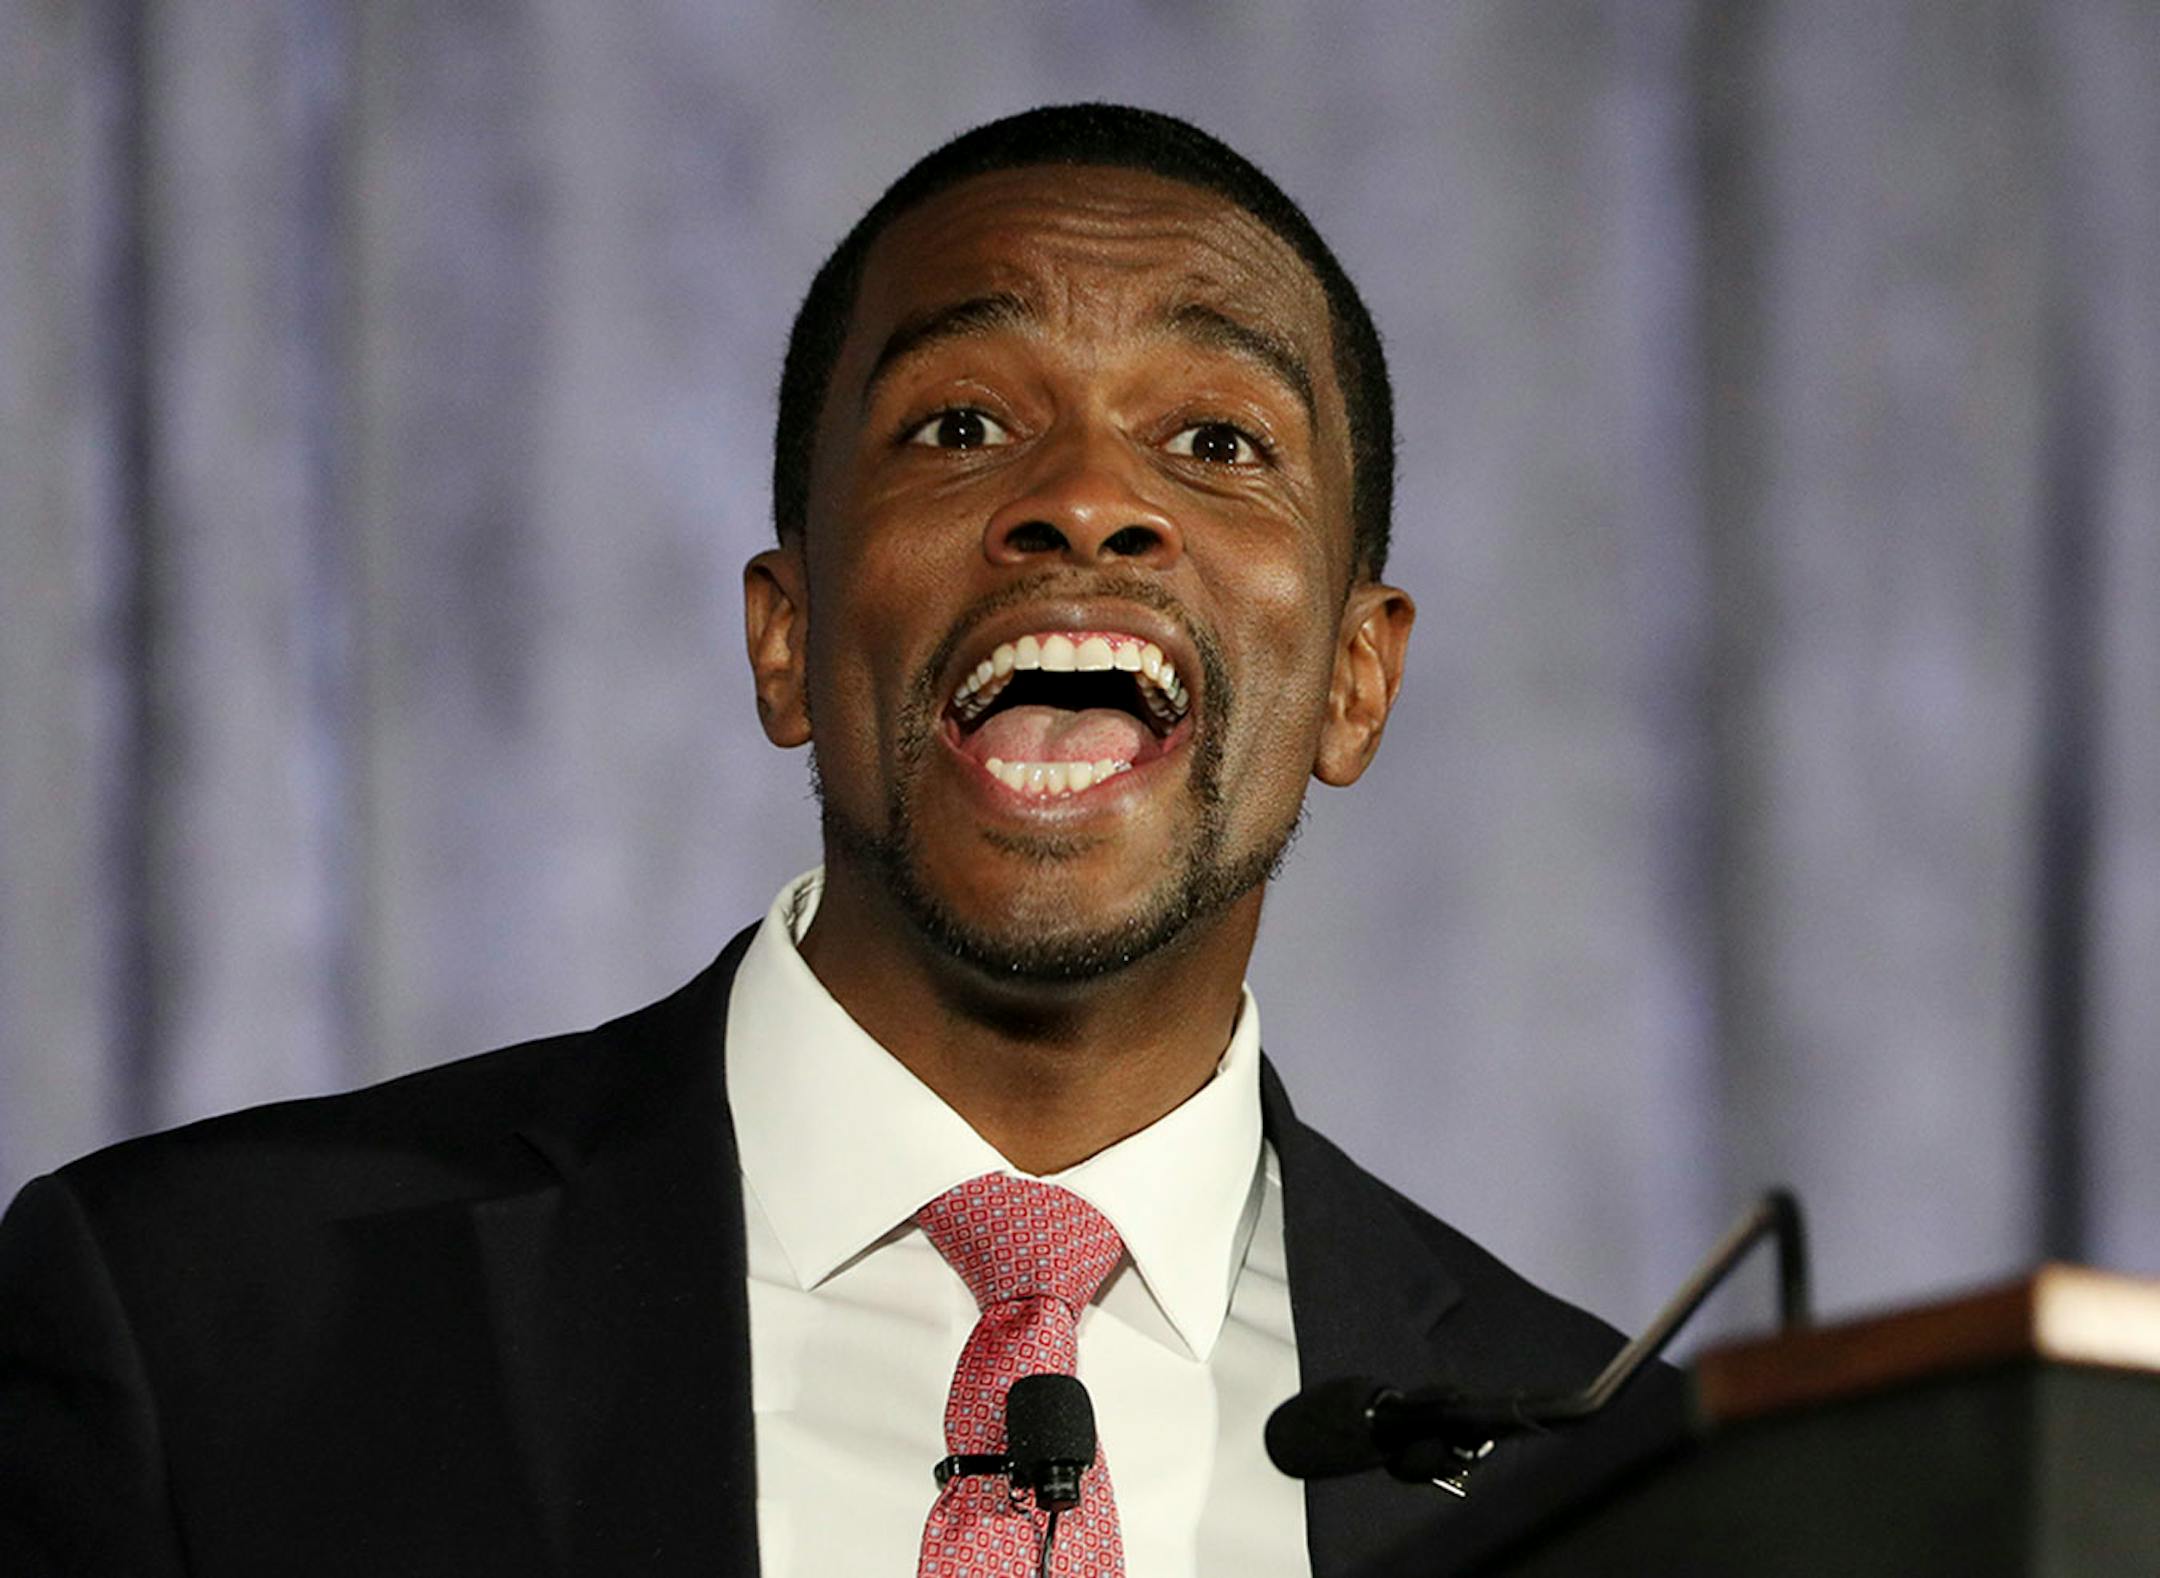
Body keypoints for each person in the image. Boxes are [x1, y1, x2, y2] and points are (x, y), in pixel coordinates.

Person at [0, 104, 1678, 1577]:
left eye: (1216, 440)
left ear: (1356, 684)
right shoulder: (195, 1327)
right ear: (787, 638)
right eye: (961, 426)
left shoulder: (1616, 1467)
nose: (1087, 496)